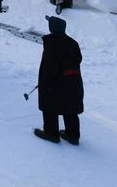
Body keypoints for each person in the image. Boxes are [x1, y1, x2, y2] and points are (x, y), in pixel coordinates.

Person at [34, 15, 83, 145]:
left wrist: (44, 82)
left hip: (56, 82)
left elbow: (50, 67)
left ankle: (51, 133)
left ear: (52, 28)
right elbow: (77, 60)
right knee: (70, 107)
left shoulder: (51, 43)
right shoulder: (73, 42)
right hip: (74, 82)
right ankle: (73, 135)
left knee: (49, 106)